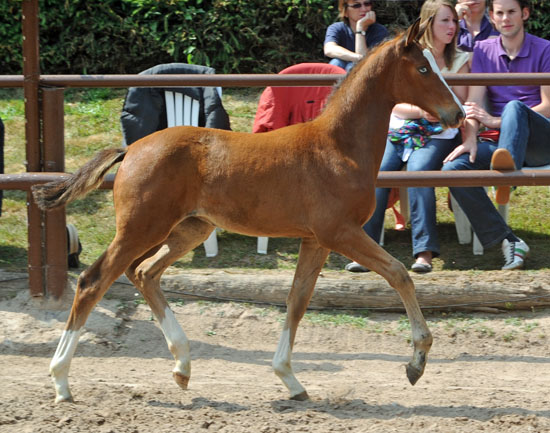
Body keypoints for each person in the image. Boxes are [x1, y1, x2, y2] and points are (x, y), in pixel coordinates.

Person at [345, 0, 469, 273]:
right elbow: (390, 99)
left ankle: (424, 253)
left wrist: (434, 113)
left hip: (440, 135)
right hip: (402, 129)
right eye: (445, 21)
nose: (452, 27)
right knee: (377, 172)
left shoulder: (461, 59)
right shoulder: (409, 56)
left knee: (418, 171)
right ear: (428, 24)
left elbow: (459, 104)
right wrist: (421, 112)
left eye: (454, 21)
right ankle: (365, 249)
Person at [443, 0, 550, 270]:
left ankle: (504, 178)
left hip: (540, 143)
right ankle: (509, 241)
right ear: (492, 16)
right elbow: (473, 104)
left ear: (524, 14)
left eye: (512, 12)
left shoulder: (545, 49)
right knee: (454, 170)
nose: (505, 18)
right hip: (502, 147)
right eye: (499, 13)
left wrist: (493, 120)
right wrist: (469, 141)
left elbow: (548, 107)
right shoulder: (482, 50)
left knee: (516, 108)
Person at [324, 0, 389, 72]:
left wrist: (360, 28)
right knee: (336, 62)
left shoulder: (379, 31)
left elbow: (366, 65)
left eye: (367, 4)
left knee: (352, 66)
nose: (364, 9)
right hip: (342, 70)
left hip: (367, 77)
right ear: (345, 12)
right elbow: (329, 49)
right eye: (356, 5)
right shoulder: (336, 28)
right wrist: (357, 57)